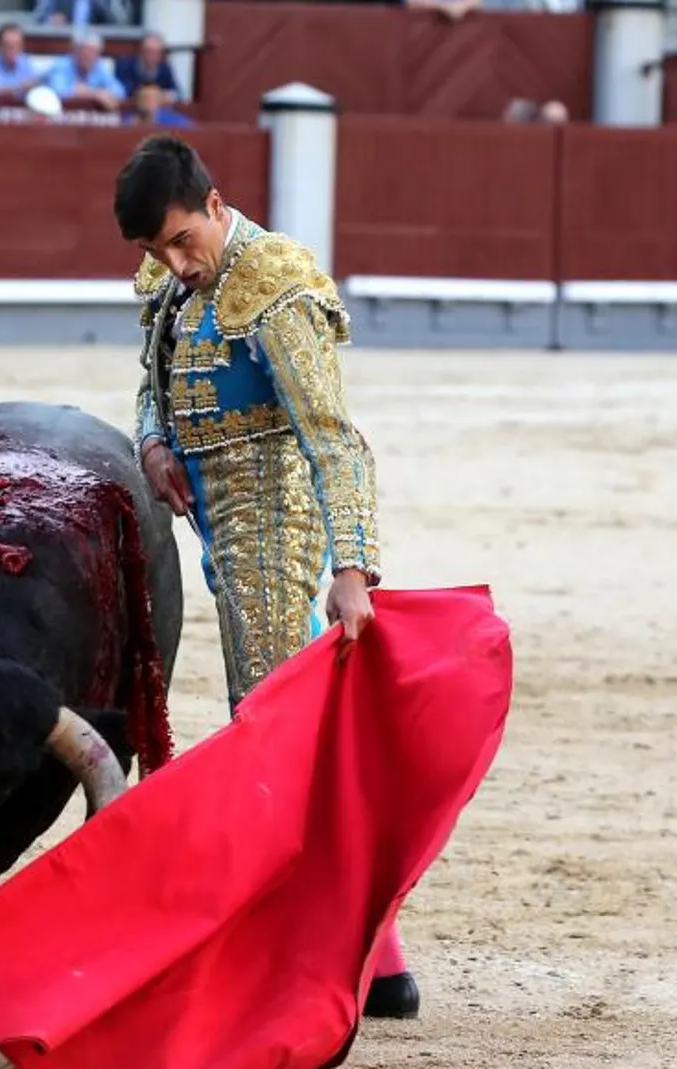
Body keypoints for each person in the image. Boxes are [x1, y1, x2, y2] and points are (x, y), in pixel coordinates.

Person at [113, 133, 418, 1022]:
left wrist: (353, 569)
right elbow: (150, 384)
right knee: (286, 730)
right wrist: (154, 441)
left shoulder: (275, 284)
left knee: (274, 729)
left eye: (181, 242)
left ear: (216, 204)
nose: (174, 264)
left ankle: (325, 948)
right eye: (155, 252)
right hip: (212, 518)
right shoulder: (172, 287)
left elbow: (334, 437)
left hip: (274, 528)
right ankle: (380, 955)